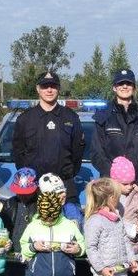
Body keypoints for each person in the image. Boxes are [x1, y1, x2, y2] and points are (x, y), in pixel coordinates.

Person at [91, 68, 138, 212]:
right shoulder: (103, 117)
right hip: (111, 192)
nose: (124, 87)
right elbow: (97, 154)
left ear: (134, 87)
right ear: (114, 88)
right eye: (120, 83)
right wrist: (117, 184)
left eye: (128, 83)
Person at [12, 70, 85, 200]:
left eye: (53, 86)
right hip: (33, 187)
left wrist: (68, 174)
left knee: (71, 220)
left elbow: (78, 151)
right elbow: (18, 152)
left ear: (58, 89)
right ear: (38, 89)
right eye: (45, 86)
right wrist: (29, 176)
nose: (49, 90)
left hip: (64, 186)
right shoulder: (25, 119)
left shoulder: (71, 117)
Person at [0, 167, 39, 276]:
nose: (23, 195)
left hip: (31, 255)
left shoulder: (39, 206)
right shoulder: (9, 205)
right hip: (12, 255)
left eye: (27, 193)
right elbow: (3, 229)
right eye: (20, 192)